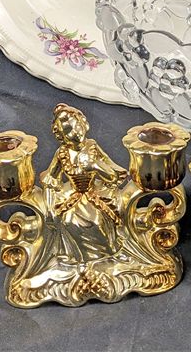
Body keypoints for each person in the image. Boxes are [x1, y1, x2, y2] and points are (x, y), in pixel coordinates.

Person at [40, 103, 127, 263]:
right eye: (68, 131)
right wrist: (50, 207)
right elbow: (51, 179)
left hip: (96, 194)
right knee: (68, 221)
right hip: (72, 196)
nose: (75, 132)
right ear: (61, 136)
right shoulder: (62, 153)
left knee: (96, 221)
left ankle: (107, 254)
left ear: (84, 124)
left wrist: (95, 166)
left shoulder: (92, 147)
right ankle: (80, 258)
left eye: (77, 126)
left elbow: (112, 176)